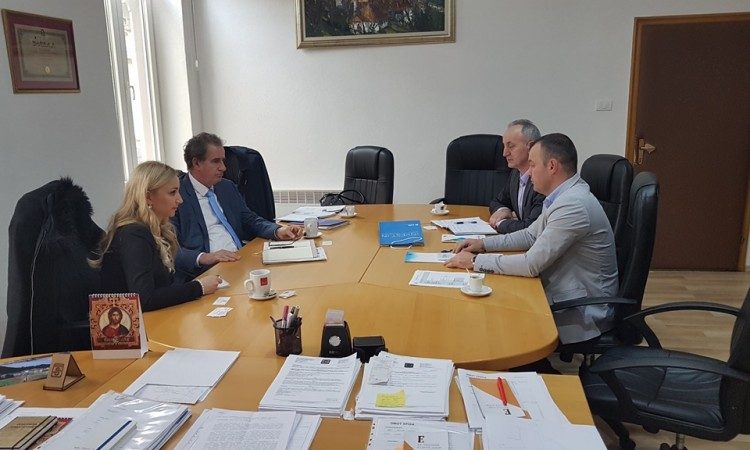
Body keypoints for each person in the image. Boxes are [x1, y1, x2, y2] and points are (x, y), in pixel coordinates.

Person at [446, 133, 618, 345]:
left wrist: (474, 261)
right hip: (562, 292)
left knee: (488, 320)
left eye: (533, 165)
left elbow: (531, 264)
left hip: (580, 312)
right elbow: (530, 235)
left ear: (552, 166)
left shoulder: (573, 205)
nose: (528, 172)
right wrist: (482, 244)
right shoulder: (562, 196)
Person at [92, 161, 221, 311]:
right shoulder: (133, 234)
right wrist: (199, 287)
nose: (180, 199)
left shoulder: (155, 229)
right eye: (172, 192)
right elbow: (145, 299)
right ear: (148, 197)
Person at [172, 132, 303, 279]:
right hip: (207, 272)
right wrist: (205, 257)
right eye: (216, 161)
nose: (223, 168)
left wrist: (277, 230)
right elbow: (169, 249)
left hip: (240, 260)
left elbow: (249, 220)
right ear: (196, 163)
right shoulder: (175, 196)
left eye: (223, 161)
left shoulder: (226, 187)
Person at [488, 119, 545, 233]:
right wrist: (503, 210)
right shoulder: (516, 173)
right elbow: (497, 201)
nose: (505, 153)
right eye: (504, 146)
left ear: (531, 146)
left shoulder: (543, 179)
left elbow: (531, 227)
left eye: (511, 146)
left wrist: (499, 223)